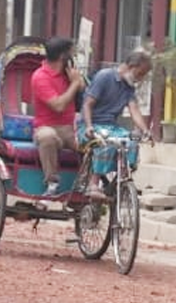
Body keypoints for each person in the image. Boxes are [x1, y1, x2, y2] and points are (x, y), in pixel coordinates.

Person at [80, 50, 153, 200]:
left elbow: (134, 110)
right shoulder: (105, 77)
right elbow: (87, 104)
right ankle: (93, 184)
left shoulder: (129, 87)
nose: (141, 78)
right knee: (106, 142)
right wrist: (88, 126)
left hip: (111, 127)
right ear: (132, 66)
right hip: (91, 125)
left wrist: (145, 130)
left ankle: (122, 178)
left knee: (131, 143)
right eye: (141, 73)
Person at [30, 37, 85, 197]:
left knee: (92, 141)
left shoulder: (68, 73)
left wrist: (76, 80)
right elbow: (58, 106)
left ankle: (87, 182)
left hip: (69, 128)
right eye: (71, 53)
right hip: (46, 126)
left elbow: (83, 87)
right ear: (63, 56)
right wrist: (74, 84)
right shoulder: (40, 77)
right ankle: (52, 181)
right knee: (48, 137)